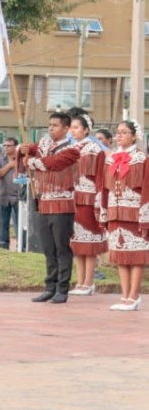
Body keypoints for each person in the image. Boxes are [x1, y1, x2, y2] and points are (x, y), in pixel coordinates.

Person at [19, 112, 79, 303]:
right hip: (44, 202)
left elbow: (52, 164)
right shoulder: (44, 144)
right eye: (49, 124)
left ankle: (62, 288)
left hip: (62, 204)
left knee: (62, 248)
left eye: (55, 125)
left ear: (66, 129)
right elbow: (28, 150)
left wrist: (31, 161)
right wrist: (23, 149)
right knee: (48, 248)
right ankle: (49, 286)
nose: (50, 128)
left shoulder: (72, 149)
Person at [97, 120, 148, 311]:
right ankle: (125, 295)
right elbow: (103, 187)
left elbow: (147, 188)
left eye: (124, 132)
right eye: (117, 132)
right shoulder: (110, 158)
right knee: (120, 254)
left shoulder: (142, 158)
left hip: (135, 213)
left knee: (136, 255)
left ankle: (134, 296)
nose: (119, 135)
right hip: (115, 211)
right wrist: (103, 210)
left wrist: (145, 214)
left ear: (134, 136)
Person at [66, 112, 106, 295]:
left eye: (76, 128)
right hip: (73, 199)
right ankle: (80, 281)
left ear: (86, 130)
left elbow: (100, 176)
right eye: (71, 128)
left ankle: (89, 282)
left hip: (89, 199)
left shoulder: (95, 150)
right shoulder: (70, 149)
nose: (73, 131)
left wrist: (99, 200)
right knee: (77, 241)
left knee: (89, 243)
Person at [0, 138, 20, 248]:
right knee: (3, 222)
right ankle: (4, 244)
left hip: (17, 196)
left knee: (18, 222)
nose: (6, 148)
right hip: (4, 196)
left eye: (9, 145)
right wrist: (9, 165)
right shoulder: (1, 160)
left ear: (15, 146)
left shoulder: (21, 159)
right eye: (5, 145)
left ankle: (21, 243)